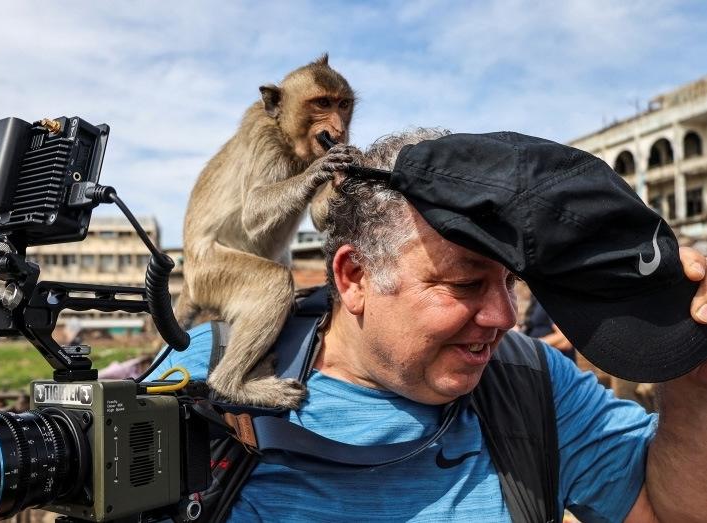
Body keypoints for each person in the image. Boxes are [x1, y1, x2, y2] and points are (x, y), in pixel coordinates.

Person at [148, 129, 707, 522]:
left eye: (508, 282)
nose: (503, 317)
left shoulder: (534, 382)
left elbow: (667, 512)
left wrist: (694, 373)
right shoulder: (206, 374)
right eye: (464, 285)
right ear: (355, 277)